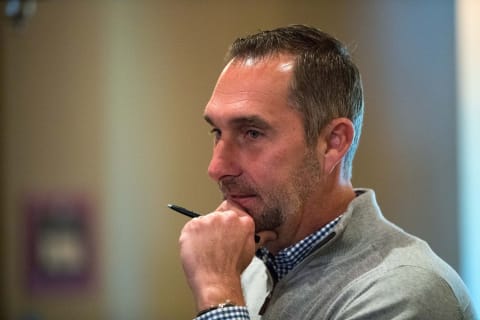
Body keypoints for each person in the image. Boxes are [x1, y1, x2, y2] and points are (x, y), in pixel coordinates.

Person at [178, 25, 476, 320]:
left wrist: (218, 294)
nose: (216, 168)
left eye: (252, 133)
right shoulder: (251, 267)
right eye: (217, 132)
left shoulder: (405, 292)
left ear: (333, 143)